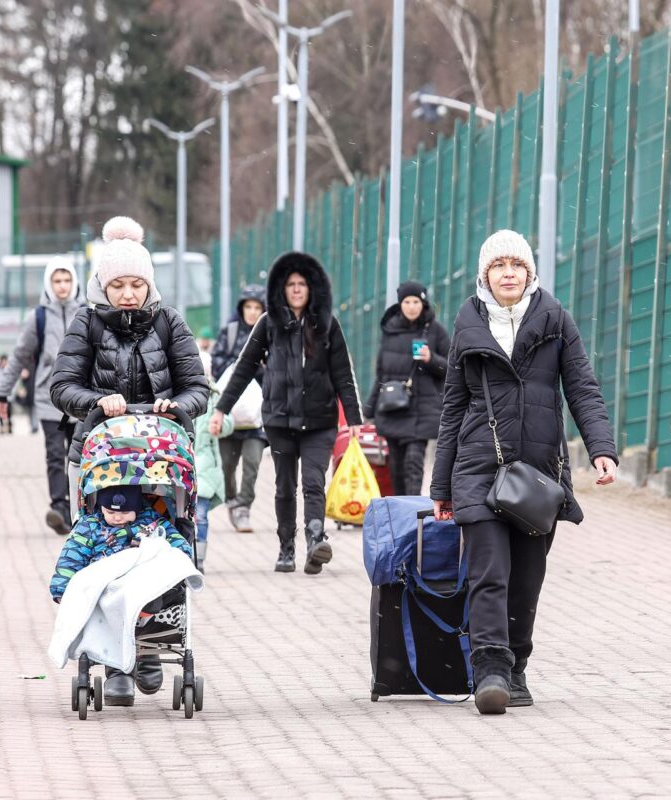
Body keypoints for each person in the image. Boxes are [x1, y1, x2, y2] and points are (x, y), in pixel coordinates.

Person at [430, 230, 619, 715]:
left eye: (517, 265)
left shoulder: (556, 320)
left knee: (526, 578)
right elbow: (453, 406)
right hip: (477, 465)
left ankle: (516, 669)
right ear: (485, 274)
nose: (508, 273)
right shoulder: (467, 322)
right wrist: (441, 484)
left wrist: (602, 448)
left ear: (530, 273)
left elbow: (582, 388)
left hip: (539, 469)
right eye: (499, 266)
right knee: (488, 571)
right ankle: (490, 668)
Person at [209, 253, 362, 575]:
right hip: (279, 421)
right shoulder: (268, 324)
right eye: (290, 284)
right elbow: (243, 368)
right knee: (284, 486)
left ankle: (315, 539)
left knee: (313, 482)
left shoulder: (328, 325)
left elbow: (343, 376)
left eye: (302, 284)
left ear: (312, 288)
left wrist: (355, 421)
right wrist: (221, 409)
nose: (296, 290)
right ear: (281, 288)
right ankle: (286, 548)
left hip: (320, 421)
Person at [49, 216, 210, 517]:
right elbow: (62, 386)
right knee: (94, 532)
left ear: (148, 284)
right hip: (98, 454)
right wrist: (98, 401)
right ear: (102, 285)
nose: (127, 294)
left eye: (136, 285)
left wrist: (174, 406)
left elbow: (198, 388)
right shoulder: (87, 323)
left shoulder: (169, 323)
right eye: (117, 285)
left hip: (162, 456)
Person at [48, 484, 192, 705]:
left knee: (151, 587)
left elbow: (179, 549)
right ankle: (118, 671)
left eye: (124, 513)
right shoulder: (90, 527)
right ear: (100, 507)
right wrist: (63, 588)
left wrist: (159, 550)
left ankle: (145, 654)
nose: (116, 518)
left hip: (142, 588)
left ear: (138, 508)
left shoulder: (152, 524)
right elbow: (71, 558)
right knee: (102, 598)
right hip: (107, 591)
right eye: (111, 512)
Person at [0, 257, 85, 534]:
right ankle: (59, 507)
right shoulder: (39, 317)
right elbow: (21, 355)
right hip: (50, 400)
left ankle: (79, 509)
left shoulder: (87, 313)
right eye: (57, 281)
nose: (62, 286)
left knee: (80, 455)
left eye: (67, 280)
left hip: (82, 398)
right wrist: (3, 392)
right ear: (49, 284)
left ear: (75, 282)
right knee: (54, 454)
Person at [364, 281, 450, 497]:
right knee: (396, 467)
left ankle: (413, 514)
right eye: (407, 301)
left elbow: (452, 368)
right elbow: (381, 374)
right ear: (400, 304)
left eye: (416, 302)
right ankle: (400, 512)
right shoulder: (390, 330)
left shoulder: (435, 331)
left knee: (413, 462)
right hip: (393, 408)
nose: (412, 306)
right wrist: (368, 410)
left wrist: (431, 360)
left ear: (423, 303)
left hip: (422, 409)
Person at [211, 284, 269, 532]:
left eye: (258, 307)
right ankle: (232, 500)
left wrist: (258, 368)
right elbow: (217, 363)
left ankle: (244, 507)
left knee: (252, 464)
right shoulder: (231, 332)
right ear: (241, 308)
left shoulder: (270, 332)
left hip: (256, 415)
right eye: (249, 307)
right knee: (226, 465)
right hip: (230, 411)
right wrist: (241, 366)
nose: (253, 312)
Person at [192, 380, 235, 572]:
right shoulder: (174, 392)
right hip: (178, 461)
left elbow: (228, 421)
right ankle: (184, 554)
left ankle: (199, 558)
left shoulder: (213, 395)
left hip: (205, 465)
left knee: (200, 514)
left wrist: (220, 425)